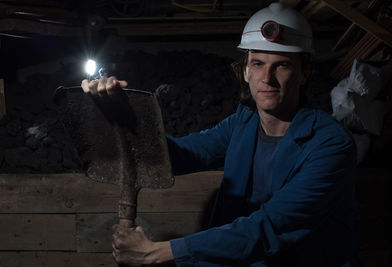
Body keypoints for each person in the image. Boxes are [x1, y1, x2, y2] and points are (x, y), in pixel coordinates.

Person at [81, 3, 359, 266]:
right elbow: (174, 157)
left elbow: (269, 228)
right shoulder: (243, 123)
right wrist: (122, 116)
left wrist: (158, 252)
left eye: (282, 65)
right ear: (246, 72)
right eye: (258, 64)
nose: (267, 78)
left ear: (304, 73)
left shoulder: (330, 144)